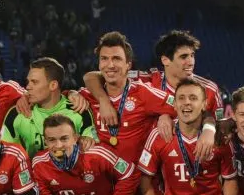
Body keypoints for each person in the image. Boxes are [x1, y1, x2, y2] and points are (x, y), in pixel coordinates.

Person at [78, 31, 204, 165]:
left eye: (116, 58)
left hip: (134, 178)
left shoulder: (143, 92)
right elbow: (88, 78)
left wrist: (165, 114)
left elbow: (181, 107)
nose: (110, 65)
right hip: (99, 177)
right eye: (104, 59)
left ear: (128, 65)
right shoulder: (89, 94)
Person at [138, 78, 240, 195]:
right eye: (181, 98)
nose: (186, 102)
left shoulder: (219, 137)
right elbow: (145, 178)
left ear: (204, 104)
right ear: (174, 104)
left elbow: (230, 179)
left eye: (193, 98)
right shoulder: (159, 135)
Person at [33, 115, 139, 195]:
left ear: (76, 138)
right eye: (52, 140)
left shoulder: (97, 154)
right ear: (45, 142)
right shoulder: (40, 164)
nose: (59, 145)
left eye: (64, 138)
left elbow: (131, 175)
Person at [3, 57, 97, 158]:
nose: (28, 87)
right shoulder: (18, 113)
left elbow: (91, 151)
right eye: (28, 81)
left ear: (53, 85)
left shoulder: (79, 110)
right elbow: (6, 156)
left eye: (34, 82)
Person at [124, 31, 224, 120]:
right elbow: (115, 76)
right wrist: (107, 103)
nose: (191, 62)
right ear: (165, 60)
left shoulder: (209, 89)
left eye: (192, 55)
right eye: (183, 57)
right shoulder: (148, 80)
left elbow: (221, 123)